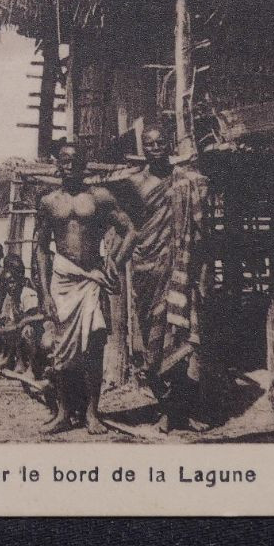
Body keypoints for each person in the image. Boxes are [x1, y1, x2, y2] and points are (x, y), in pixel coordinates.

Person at [107, 126, 213, 431]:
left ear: (169, 145)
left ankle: (184, 412)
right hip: (147, 271)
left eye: (160, 142)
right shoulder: (134, 183)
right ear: (143, 148)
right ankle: (167, 411)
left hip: (180, 269)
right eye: (148, 144)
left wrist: (203, 274)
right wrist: (114, 265)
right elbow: (125, 229)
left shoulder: (187, 181)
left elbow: (202, 232)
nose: (154, 148)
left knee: (184, 341)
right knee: (153, 347)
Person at [35, 138, 135, 434]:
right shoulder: (49, 202)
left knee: (94, 346)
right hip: (63, 281)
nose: (69, 166)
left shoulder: (100, 198)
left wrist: (114, 263)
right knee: (62, 350)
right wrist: (43, 293)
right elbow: (41, 248)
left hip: (91, 278)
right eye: (64, 161)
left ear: (83, 166)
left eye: (75, 161)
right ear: (57, 165)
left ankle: (93, 414)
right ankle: (64, 413)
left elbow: (130, 231)